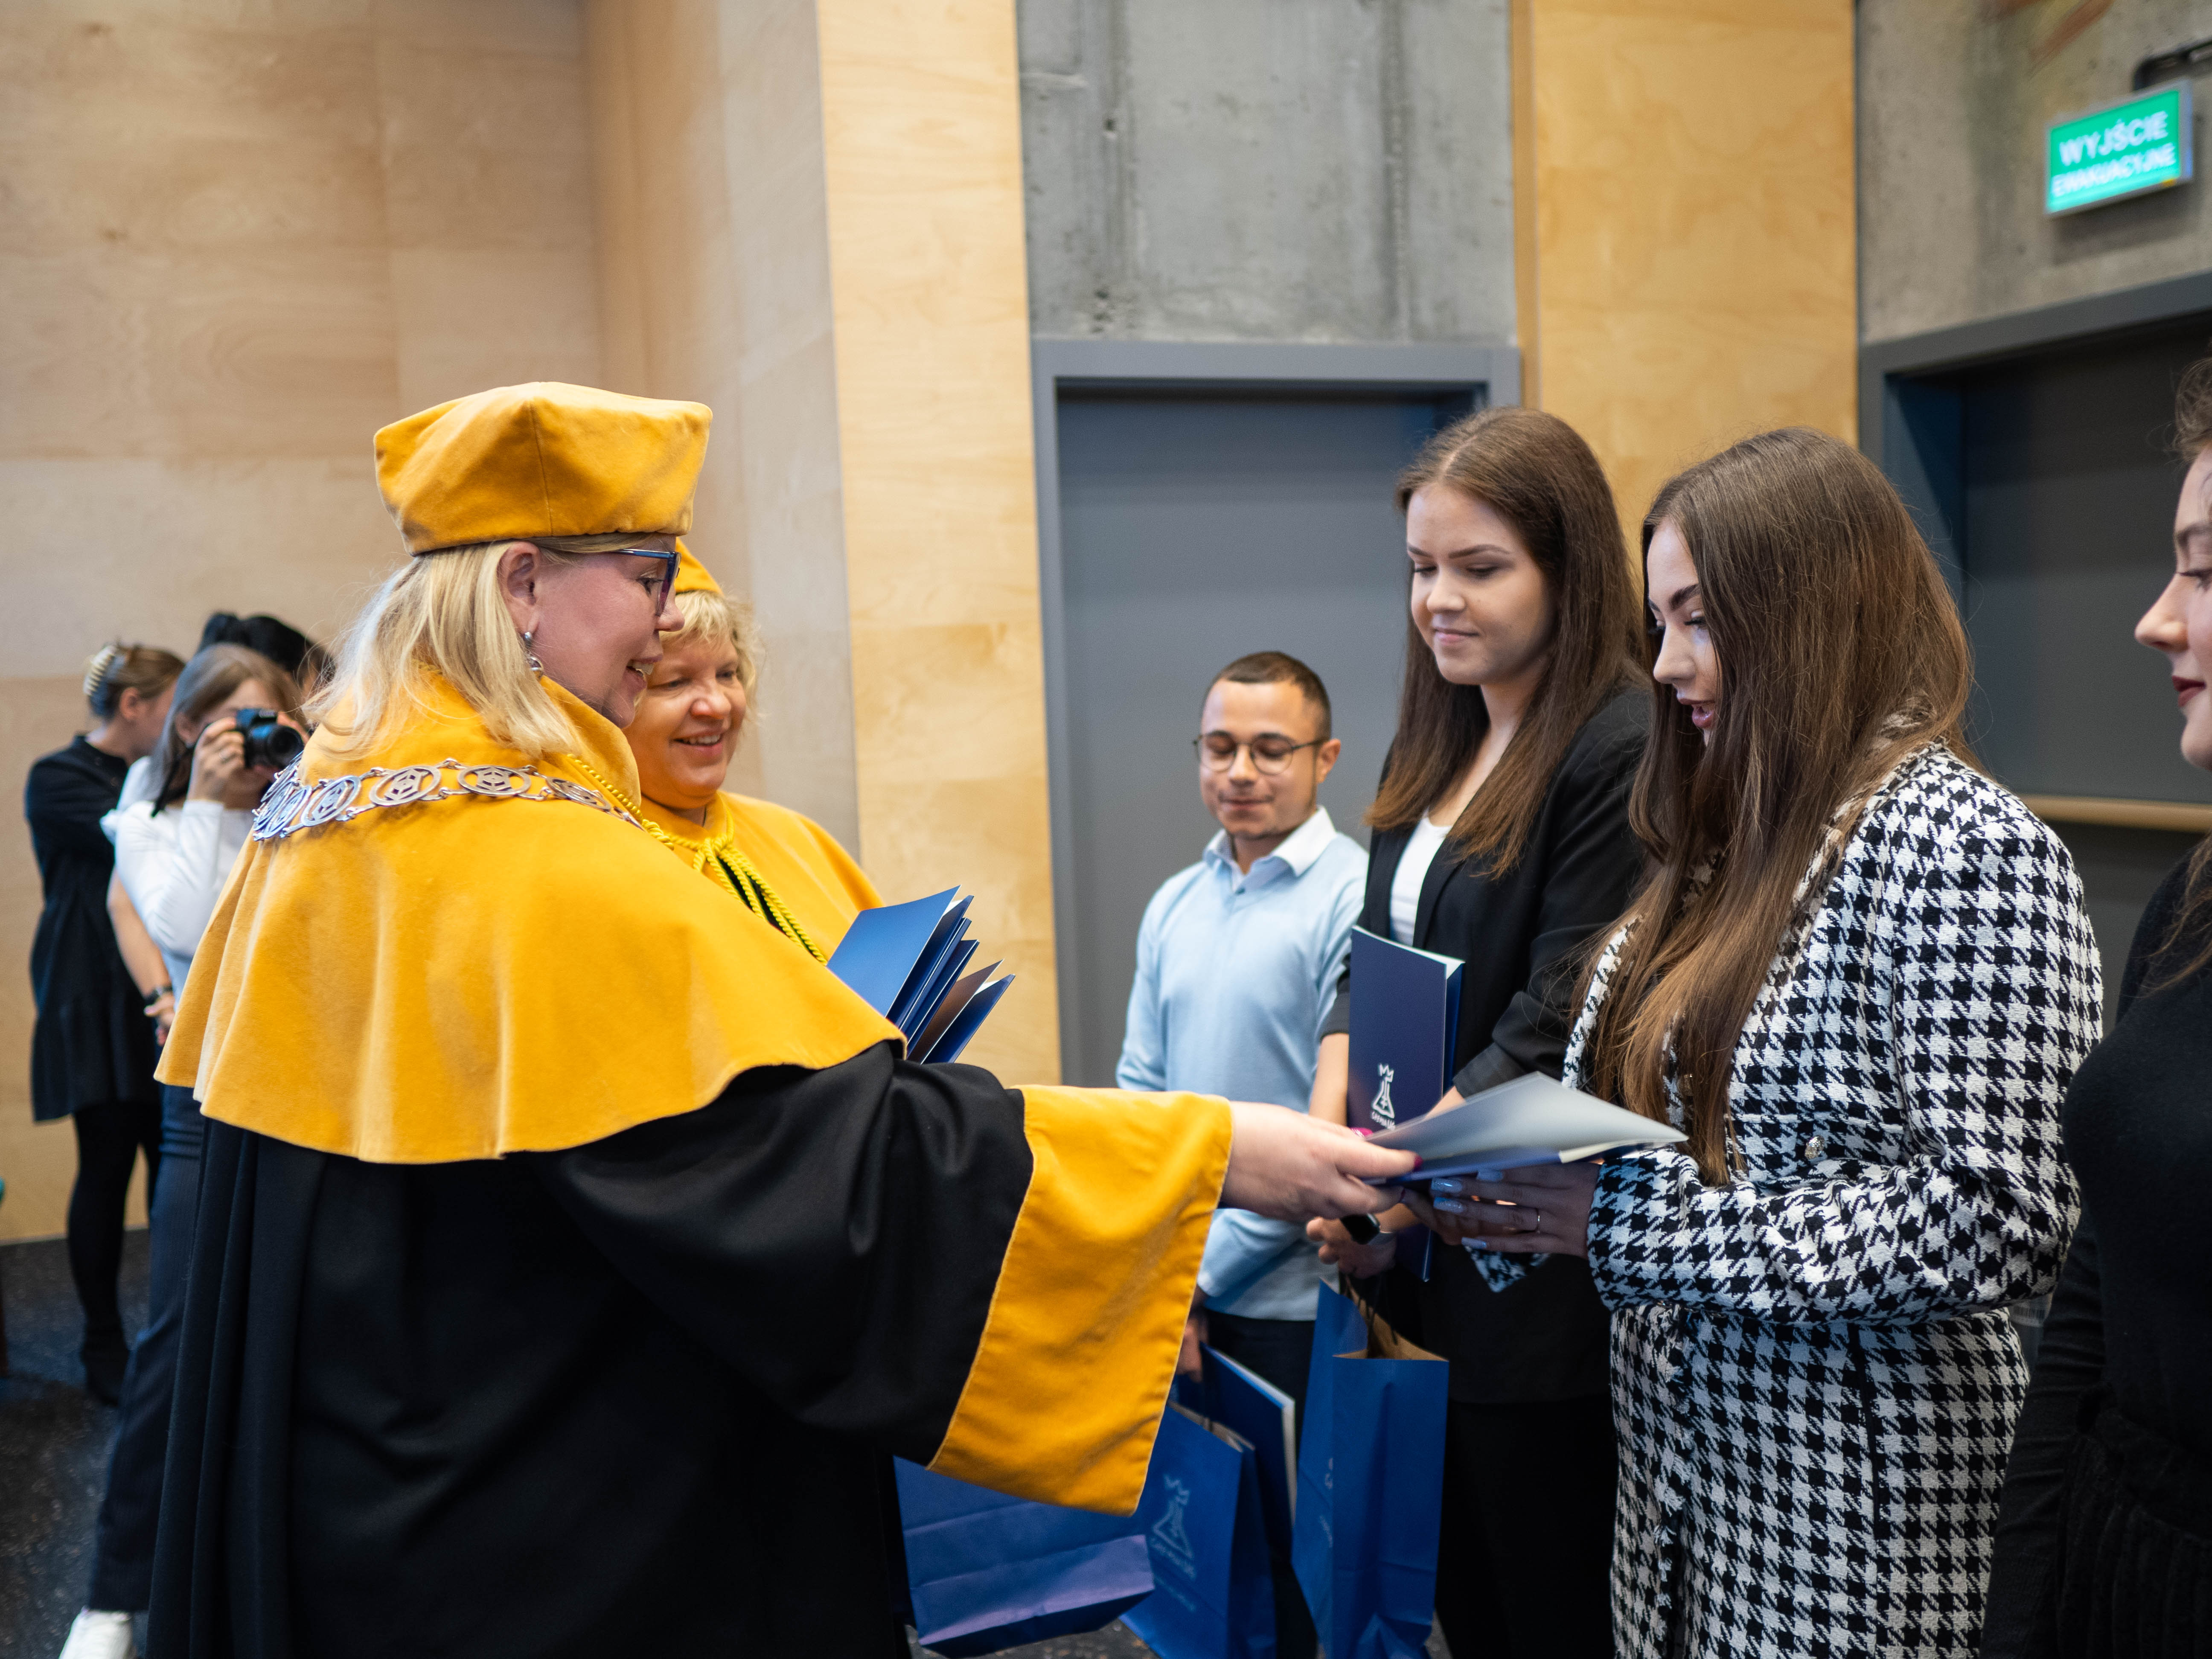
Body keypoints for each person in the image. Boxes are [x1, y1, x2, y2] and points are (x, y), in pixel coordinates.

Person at [143, 381, 1415, 1659]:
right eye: (648, 572)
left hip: (372, 1486)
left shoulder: (331, 820)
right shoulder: (538, 857)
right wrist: (1207, 1156)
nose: (665, 614)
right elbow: (813, 1170)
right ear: (523, 584)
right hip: (560, 1518)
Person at [1429, 428, 2101, 1658]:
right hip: (1682, 1518)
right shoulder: (1729, 833)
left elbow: (2003, 1216)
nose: (1665, 663)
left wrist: (1633, 1228)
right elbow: (1638, 1128)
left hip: (1856, 1534)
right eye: (1658, 621)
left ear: (1811, 612)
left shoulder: (1963, 846)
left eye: (1700, 619)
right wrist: (1485, 1194)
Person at [1302, 405, 1647, 1659]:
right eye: (1420, 569)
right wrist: (1335, 1137)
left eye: (1479, 568)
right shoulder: (1442, 723)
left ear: (1570, 568)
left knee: (1543, 1609)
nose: (1438, 601)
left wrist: (1384, 1177)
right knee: (1455, 1598)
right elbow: (1370, 954)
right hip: (1414, 1240)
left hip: (1529, 1272)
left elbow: (1557, 1019)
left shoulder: (1619, 743)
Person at [1981, 358, 2212, 1656]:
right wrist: (2020, 1612)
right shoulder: (2190, 901)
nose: (2156, 621)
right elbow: (2093, 1295)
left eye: (2204, 571)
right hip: (2123, 1567)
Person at [1116, 649, 1365, 1659]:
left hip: (1292, 1310)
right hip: (1185, 1299)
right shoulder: (1175, 900)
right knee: (1203, 1574)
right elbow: (1139, 1095)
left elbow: (1335, 1135)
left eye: (1271, 749)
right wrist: (1160, 1277)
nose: (1241, 772)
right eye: (1220, 747)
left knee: (1302, 1586)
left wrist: (1196, 1276)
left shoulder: (1355, 896)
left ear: (1325, 758)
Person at [60, 644, 304, 1659]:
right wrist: (208, 804)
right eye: (231, 725)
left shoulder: (306, 809)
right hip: (204, 1104)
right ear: (188, 730)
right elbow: (185, 929)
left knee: (305, 1337)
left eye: (268, 721)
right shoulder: (150, 822)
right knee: (174, 1347)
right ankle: (113, 1597)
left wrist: (304, 774)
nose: (251, 742)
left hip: (308, 1100)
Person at [24, 642, 183, 1403]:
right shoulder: (56, 777)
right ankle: (100, 1344)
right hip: (90, 986)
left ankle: (170, 1336)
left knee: (170, 1164)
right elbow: (139, 837)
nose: (182, 725)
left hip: (155, 981)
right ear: (133, 705)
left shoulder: (160, 775)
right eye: (174, 707)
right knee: (106, 1163)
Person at [621, 548, 880, 946]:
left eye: (728, 674)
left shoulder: (797, 836)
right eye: (676, 682)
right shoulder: (604, 856)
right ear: (614, 701)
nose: (719, 705)